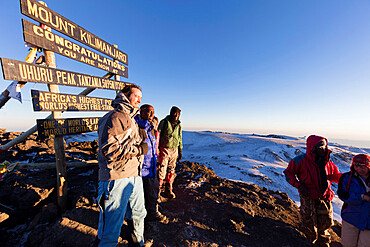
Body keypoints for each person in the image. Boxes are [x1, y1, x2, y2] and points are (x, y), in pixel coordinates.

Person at [94, 84, 148, 247]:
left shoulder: (130, 118)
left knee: (139, 214)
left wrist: (138, 137)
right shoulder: (114, 117)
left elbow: (125, 142)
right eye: (136, 95)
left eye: (141, 96)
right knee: (111, 226)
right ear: (124, 95)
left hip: (133, 175)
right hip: (115, 178)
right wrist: (139, 149)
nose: (139, 99)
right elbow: (109, 150)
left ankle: (137, 242)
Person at [284, 135, 342, 247]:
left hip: (325, 196)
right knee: (308, 221)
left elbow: (334, 175)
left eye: (324, 146)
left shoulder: (327, 162)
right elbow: (288, 173)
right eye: (319, 147)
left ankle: (323, 243)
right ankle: (308, 242)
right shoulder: (300, 160)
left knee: (326, 221)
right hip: (308, 195)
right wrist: (299, 185)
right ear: (312, 147)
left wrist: (347, 179)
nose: (323, 149)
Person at [135, 105, 164, 221]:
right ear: (140, 112)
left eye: (153, 112)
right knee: (140, 196)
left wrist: (156, 160)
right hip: (141, 169)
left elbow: (153, 147)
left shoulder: (151, 128)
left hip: (151, 168)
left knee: (153, 192)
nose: (151, 115)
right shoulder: (136, 127)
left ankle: (152, 213)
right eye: (148, 112)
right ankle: (141, 218)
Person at [337, 153, 370, 247]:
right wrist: (362, 197)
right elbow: (343, 195)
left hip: (368, 220)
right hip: (351, 217)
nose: (359, 170)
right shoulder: (347, 178)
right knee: (348, 245)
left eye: (363, 167)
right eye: (356, 166)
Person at [158, 106, 183, 199]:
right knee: (162, 171)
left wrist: (180, 150)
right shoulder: (164, 122)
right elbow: (158, 136)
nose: (176, 115)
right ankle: (158, 192)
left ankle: (168, 189)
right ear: (171, 112)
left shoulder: (179, 125)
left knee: (171, 169)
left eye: (178, 114)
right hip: (164, 149)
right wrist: (158, 150)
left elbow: (179, 137)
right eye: (174, 113)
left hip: (174, 150)